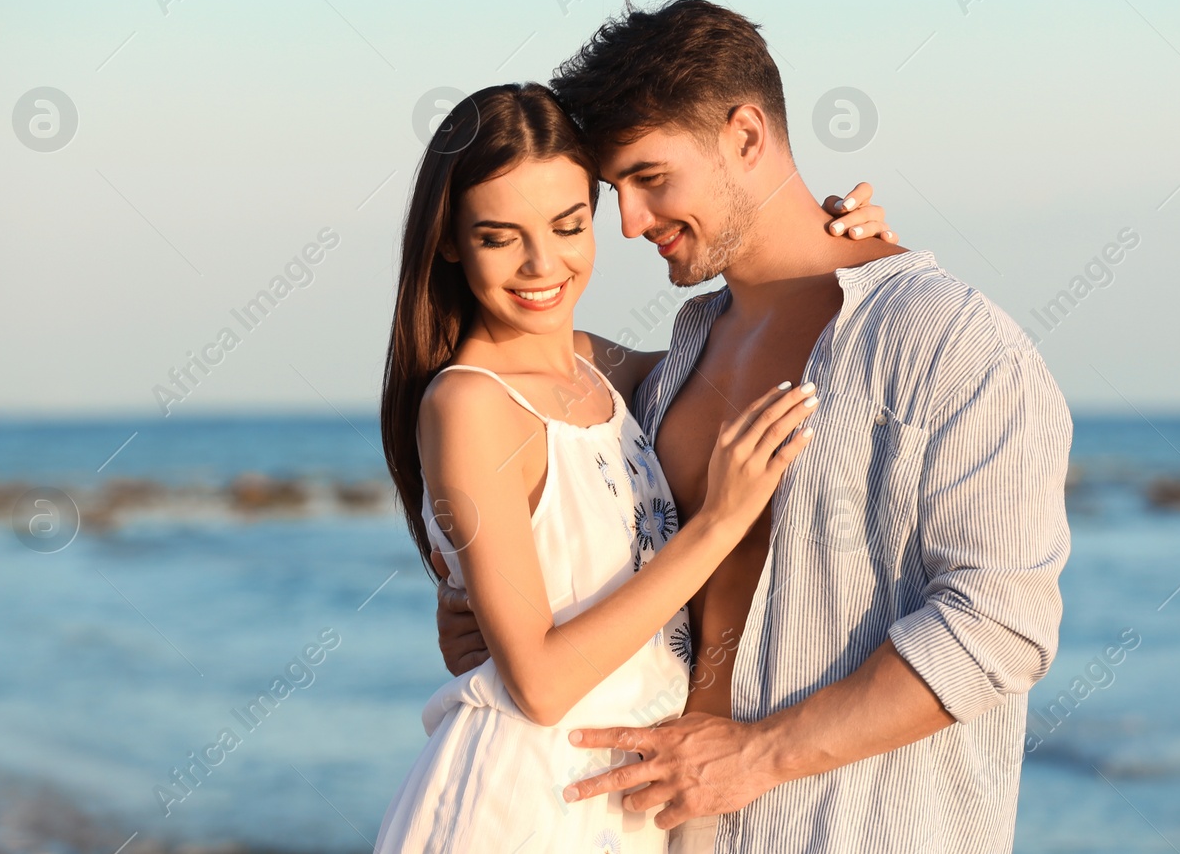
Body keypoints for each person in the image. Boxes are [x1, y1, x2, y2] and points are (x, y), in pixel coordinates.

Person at [436, 0, 1074, 852]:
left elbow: (1002, 624)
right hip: (658, 830)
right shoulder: (673, 362)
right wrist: (481, 585)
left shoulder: (952, 344)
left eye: (651, 177)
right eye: (614, 189)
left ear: (745, 135)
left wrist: (758, 756)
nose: (629, 220)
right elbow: (513, 396)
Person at [373, 82, 895, 853]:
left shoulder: (607, 374)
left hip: (626, 807)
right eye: (498, 236)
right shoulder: (468, 406)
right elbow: (542, 686)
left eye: (567, 224)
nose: (541, 264)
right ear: (449, 240)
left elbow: (758, 343)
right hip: (525, 806)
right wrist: (717, 524)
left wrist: (849, 253)